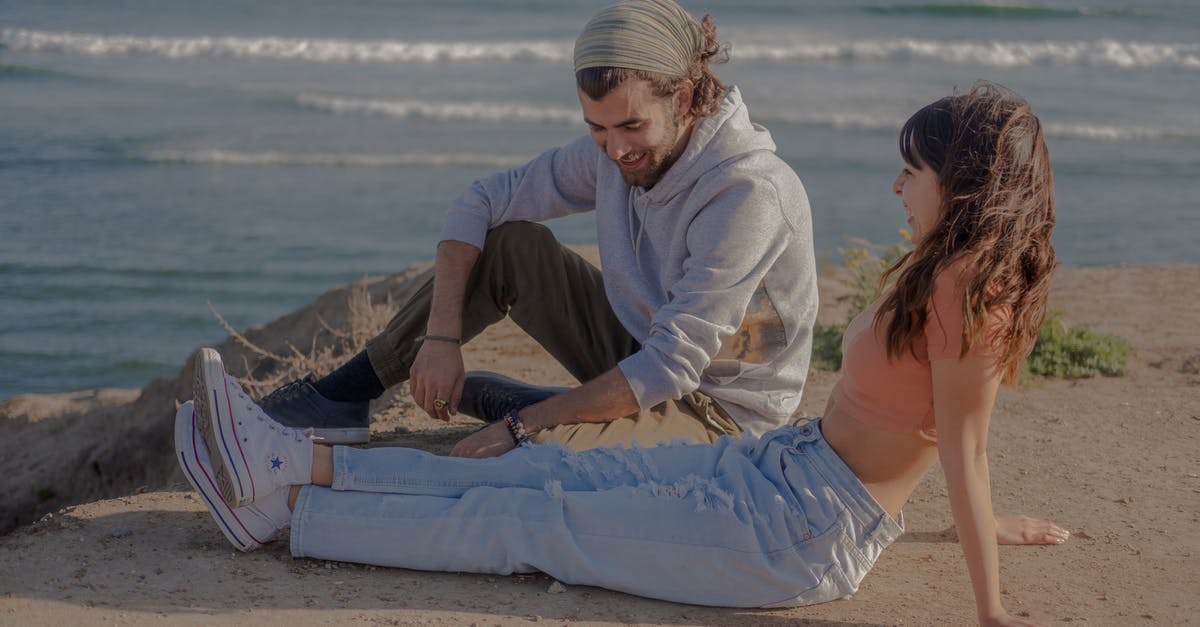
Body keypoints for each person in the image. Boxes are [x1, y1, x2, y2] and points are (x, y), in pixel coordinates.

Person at [179, 81, 1069, 624]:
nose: (896, 184)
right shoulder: (942, 272)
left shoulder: (967, 294)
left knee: (536, 519)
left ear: (967, 186)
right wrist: (978, 514)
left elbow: (964, 443)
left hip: (798, 531)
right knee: (529, 480)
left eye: (913, 170)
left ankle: (288, 511)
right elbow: (933, 432)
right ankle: (294, 458)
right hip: (783, 469)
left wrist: (989, 606)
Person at [255, 0, 819, 456]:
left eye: (631, 125)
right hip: (641, 352)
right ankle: (339, 399)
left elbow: (672, 367)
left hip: (718, 414)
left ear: (687, 96)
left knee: (522, 463)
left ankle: (535, 413)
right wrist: (442, 337)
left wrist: (521, 428)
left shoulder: (747, 193)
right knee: (511, 245)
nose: (616, 149)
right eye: (596, 128)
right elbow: (480, 201)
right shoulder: (616, 152)